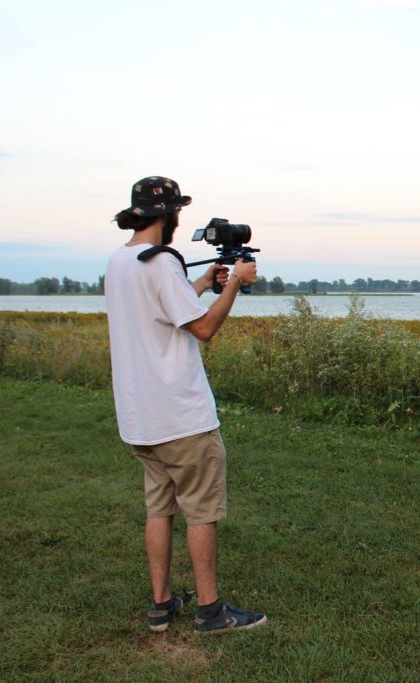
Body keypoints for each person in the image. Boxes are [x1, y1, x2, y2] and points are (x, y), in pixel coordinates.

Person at [106, 176, 267, 633]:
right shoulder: (161, 263)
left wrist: (199, 282)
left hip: (141, 418)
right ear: (167, 215)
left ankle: (160, 605)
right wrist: (234, 282)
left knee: (159, 508)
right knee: (201, 511)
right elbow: (202, 329)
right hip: (181, 417)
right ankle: (211, 612)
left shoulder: (120, 262)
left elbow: (161, 309)